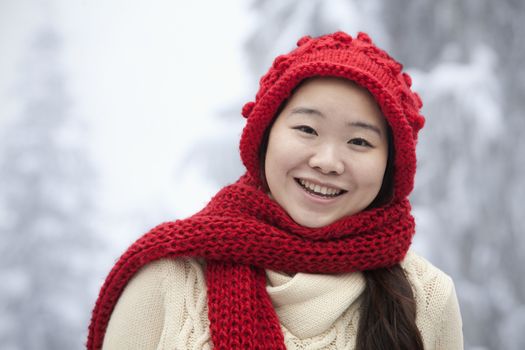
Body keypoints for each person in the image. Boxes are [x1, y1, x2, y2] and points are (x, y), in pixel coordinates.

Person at [87, 31, 463, 350]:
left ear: (390, 165)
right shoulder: (168, 276)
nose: (328, 161)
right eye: (307, 130)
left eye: (360, 142)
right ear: (265, 136)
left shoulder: (426, 297)